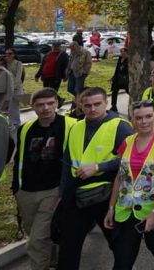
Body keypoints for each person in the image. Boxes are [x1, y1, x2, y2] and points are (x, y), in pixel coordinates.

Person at [58, 87, 135, 270]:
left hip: (107, 196)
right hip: (77, 195)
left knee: (119, 246)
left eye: (97, 104)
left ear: (106, 103)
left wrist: (99, 167)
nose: (92, 109)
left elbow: (132, 159)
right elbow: (67, 162)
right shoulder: (76, 127)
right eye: (87, 105)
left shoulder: (120, 126)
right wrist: (62, 195)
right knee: (68, 247)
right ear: (80, 106)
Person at [105, 100, 154, 270]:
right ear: (132, 120)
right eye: (138, 118)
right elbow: (120, 177)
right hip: (126, 209)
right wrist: (111, 207)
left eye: (148, 116)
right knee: (123, 257)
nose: (143, 122)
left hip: (153, 208)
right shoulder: (127, 142)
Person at [13, 88, 74, 270]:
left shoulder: (72, 125)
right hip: (26, 191)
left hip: (53, 190)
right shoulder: (25, 129)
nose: (45, 108)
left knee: (37, 240)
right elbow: (19, 159)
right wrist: (16, 187)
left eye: (50, 103)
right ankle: (53, 262)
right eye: (40, 105)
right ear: (32, 106)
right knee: (40, 234)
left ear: (57, 103)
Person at [4, 49, 24, 129]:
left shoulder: (18, 63)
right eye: (6, 54)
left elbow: (18, 77)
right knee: (8, 107)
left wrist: (13, 87)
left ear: (14, 54)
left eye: (9, 53)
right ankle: (11, 122)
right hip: (7, 88)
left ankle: (16, 123)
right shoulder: (5, 63)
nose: (7, 55)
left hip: (16, 88)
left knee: (14, 106)